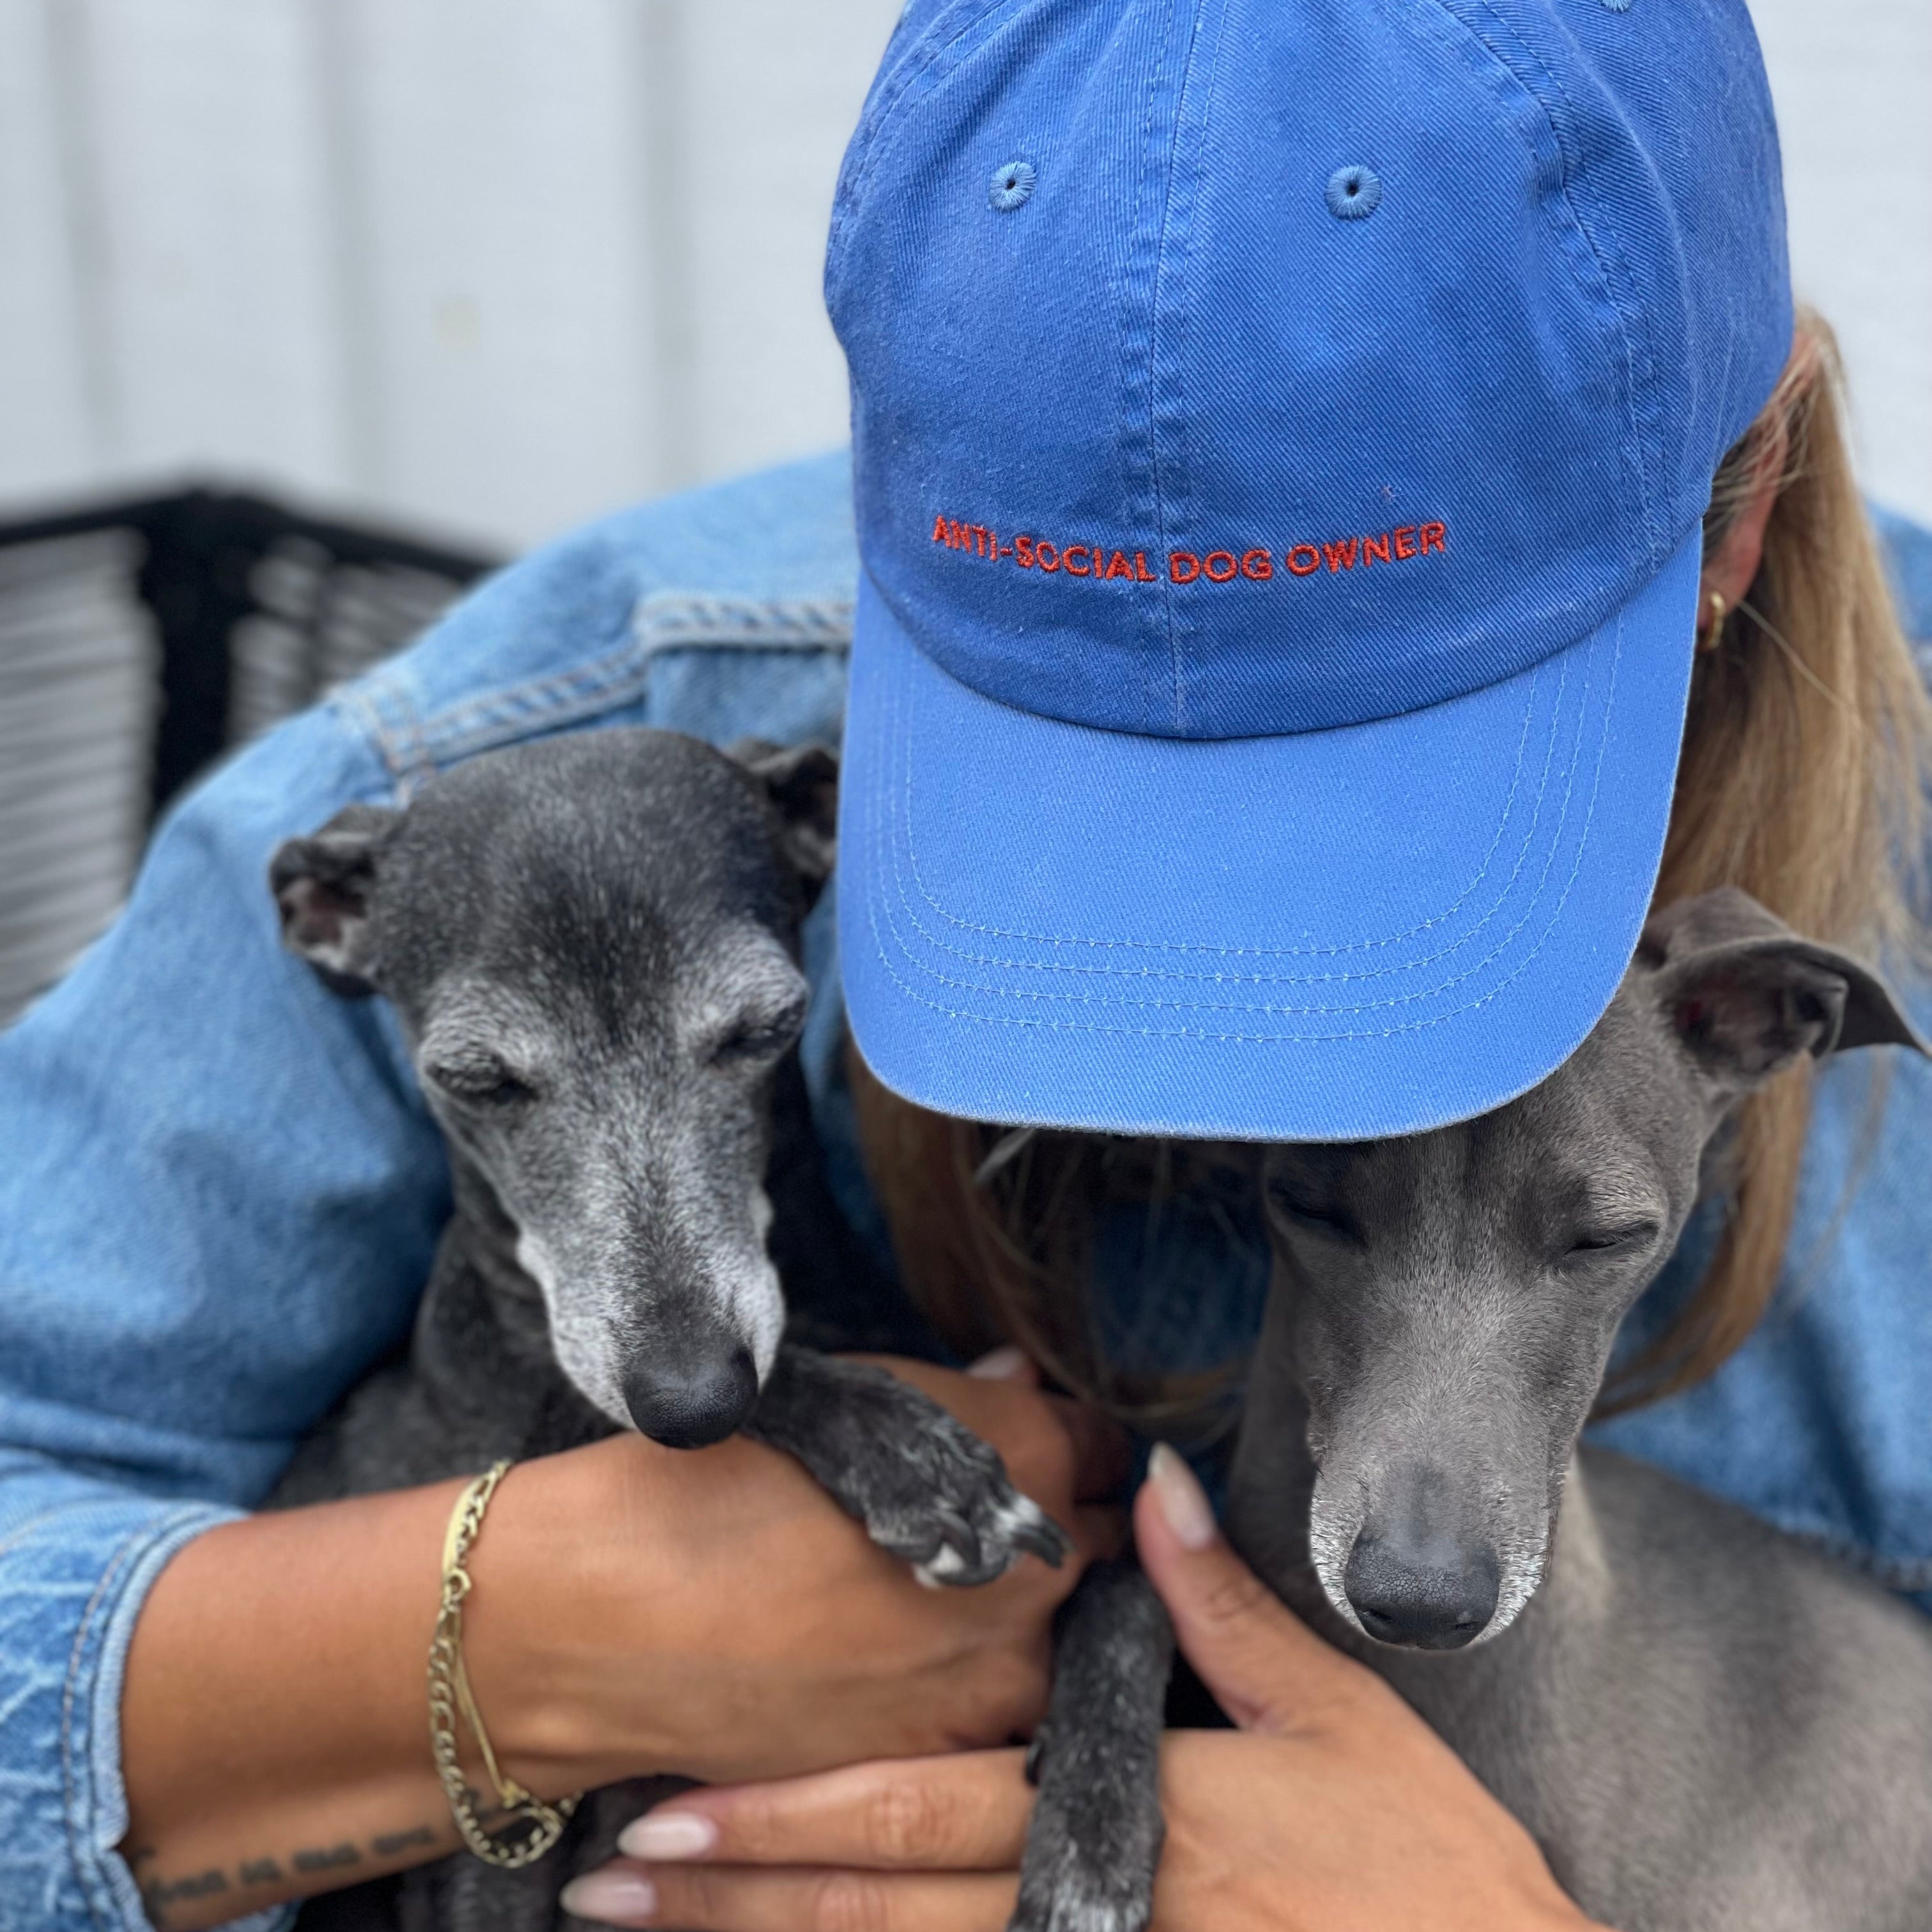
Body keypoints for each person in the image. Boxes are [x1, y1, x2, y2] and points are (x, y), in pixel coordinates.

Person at [1, 4, 1928, 1931]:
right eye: (1086, 758)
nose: (1222, 972)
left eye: (1372, 773)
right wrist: (527, 1639)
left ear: (1738, 505)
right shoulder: (555, 772)